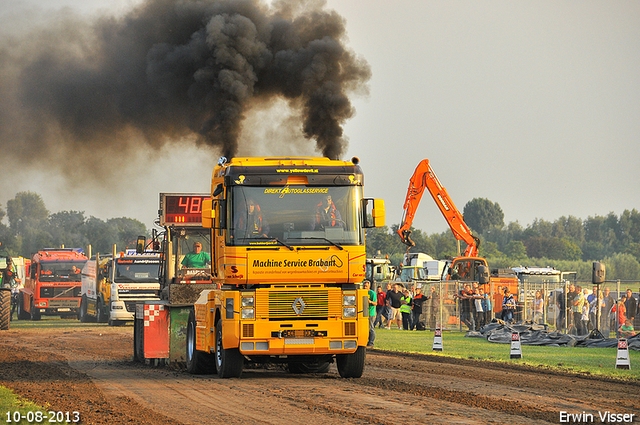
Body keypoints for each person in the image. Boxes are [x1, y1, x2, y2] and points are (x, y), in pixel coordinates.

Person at [363, 281, 376, 347]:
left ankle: (371, 342)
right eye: (364, 286)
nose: (365, 287)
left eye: (366, 286)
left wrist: (370, 301)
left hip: (370, 313)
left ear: (369, 286)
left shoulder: (372, 293)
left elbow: (375, 303)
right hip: (363, 313)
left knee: (371, 328)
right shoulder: (362, 292)